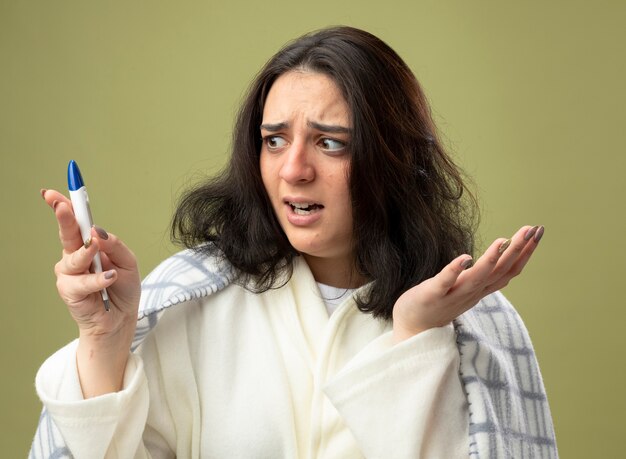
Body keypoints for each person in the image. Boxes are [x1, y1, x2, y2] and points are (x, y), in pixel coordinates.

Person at [31, 26, 557, 458]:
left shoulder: (470, 323)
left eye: (331, 143)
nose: (294, 170)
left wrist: (414, 335)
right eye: (274, 140)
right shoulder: (187, 305)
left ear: (394, 158)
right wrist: (104, 341)